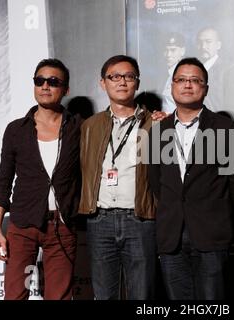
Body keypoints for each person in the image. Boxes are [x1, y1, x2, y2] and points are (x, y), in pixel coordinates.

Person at [149, 57, 234, 300]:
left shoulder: (224, 128)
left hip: (212, 234)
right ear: (172, 86)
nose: (187, 85)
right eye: (180, 80)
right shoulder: (158, 130)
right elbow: (156, 182)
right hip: (171, 235)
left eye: (195, 80)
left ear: (206, 88)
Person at [0, 58, 81, 300]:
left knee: (59, 297)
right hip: (22, 226)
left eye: (53, 81)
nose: (45, 86)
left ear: (66, 89)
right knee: (15, 295)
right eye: (39, 81)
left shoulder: (79, 128)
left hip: (62, 226)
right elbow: (3, 181)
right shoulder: (16, 130)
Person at [78, 55, 166, 300]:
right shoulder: (90, 126)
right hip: (100, 220)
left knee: (142, 294)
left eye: (129, 76)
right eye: (114, 76)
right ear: (102, 83)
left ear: (137, 83)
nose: (122, 82)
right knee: (104, 295)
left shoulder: (155, 123)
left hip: (140, 219)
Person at [196, 27, 227, 111]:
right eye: (200, 42)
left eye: (208, 42)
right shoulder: (194, 69)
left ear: (218, 45)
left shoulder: (227, 70)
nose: (203, 46)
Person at [161, 32, 186, 114]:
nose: (168, 55)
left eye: (173, 50)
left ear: (182, 51)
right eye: (166, 50)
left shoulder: (186, 76)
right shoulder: (165, 75)